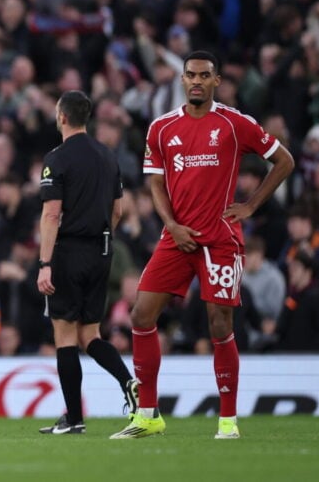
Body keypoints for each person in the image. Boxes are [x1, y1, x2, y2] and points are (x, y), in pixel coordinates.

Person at [111, 51, 294, 440]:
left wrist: (250, 205)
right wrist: (172, 225)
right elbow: (155, 184)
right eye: (190, 74)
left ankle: (227, 421)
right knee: (142, 316)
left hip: (220, 239)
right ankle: (148, 415)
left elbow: (284, 161)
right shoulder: (161, 128)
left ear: (216, 81)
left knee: (219, 323)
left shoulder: (234, 124)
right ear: (182, 80)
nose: (196, 80)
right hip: (176, 238)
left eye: (204, 75)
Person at [35, 90, 137, 435]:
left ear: (62, 116)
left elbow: (51, 214)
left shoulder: (56, 158)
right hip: (102, 251)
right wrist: (101, 237)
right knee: (90, 334)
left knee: (64, 334)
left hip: (68, 253)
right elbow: (118, 210)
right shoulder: (107, 156)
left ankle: (74, 418)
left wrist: (44, 263)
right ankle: (129, 383)